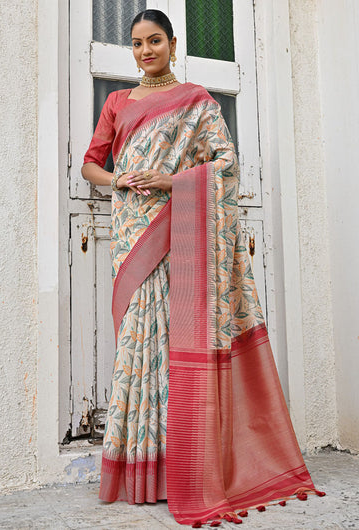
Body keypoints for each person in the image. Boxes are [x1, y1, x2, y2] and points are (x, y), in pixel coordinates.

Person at [81, 9, 325, 527]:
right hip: (131, 233)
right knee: (137, 347)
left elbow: (226, 163)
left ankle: (182, 470)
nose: (145, 51)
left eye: (154, 41)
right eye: (136, 44)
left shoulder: (197, 101)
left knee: (173, 347)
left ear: (172, 43)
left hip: (179, 233)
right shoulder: (117, 104)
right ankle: (138, 470)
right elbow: (91, 164)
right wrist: (121, 179)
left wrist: (171, 182)